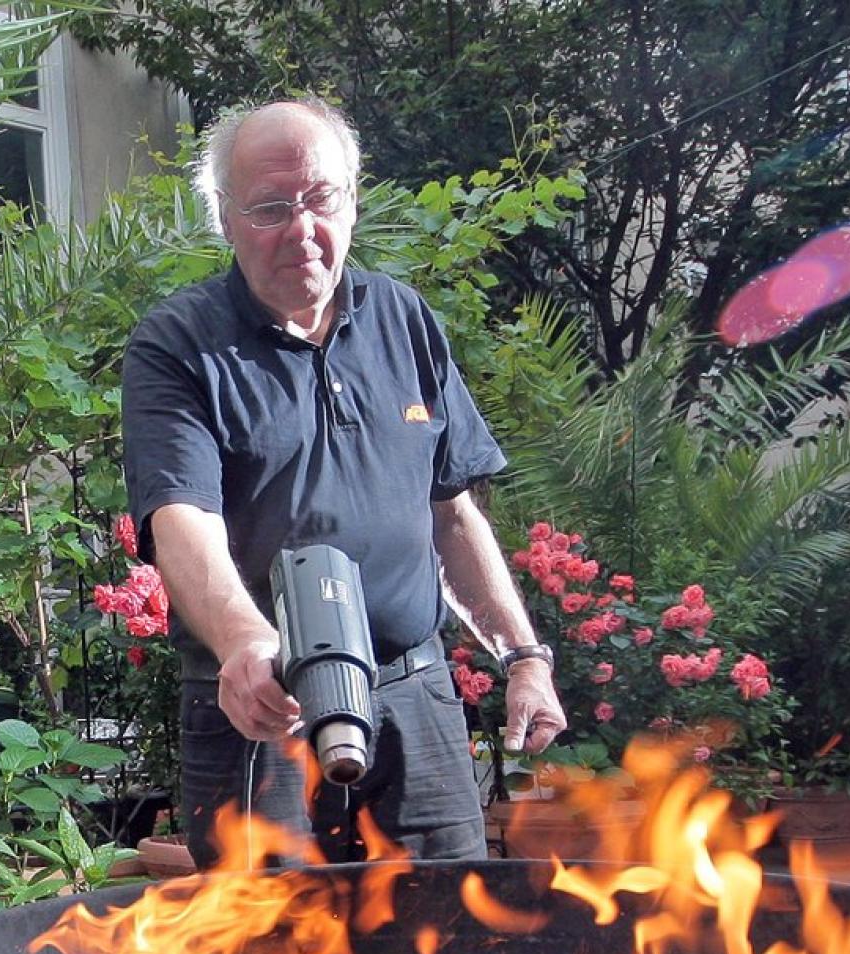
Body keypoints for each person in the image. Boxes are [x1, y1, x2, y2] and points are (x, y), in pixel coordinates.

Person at [122, 97, 566, 868]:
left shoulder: (404, 318)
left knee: (449, 939)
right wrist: (245, 639)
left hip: (414, 699)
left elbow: (452, 514)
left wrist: (522, 655)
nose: (302, 230)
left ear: (352, 201)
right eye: (269, 208)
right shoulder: (178, 344)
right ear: (224, 220)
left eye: (321, 199)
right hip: (263, 710)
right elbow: (180, 518)